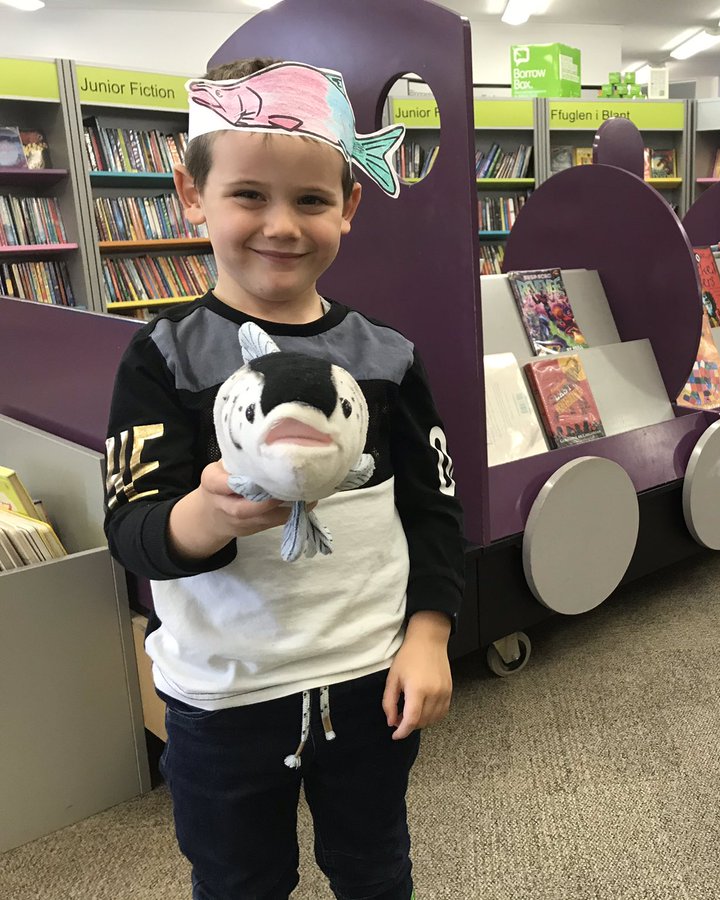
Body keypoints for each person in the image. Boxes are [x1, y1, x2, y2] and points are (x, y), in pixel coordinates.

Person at [104, 57, 465, 900]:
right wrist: (205, 516)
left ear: (350, 204)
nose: (281, 225)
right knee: (238, 880)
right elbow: (133, 532)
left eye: (310, 199)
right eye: (247, 196)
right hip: (224, 696)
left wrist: (431, 634)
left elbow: (436, 506)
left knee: (375, 865)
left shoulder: (387, 355)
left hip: (369, 676)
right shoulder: (164, 357)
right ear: (193, 196)